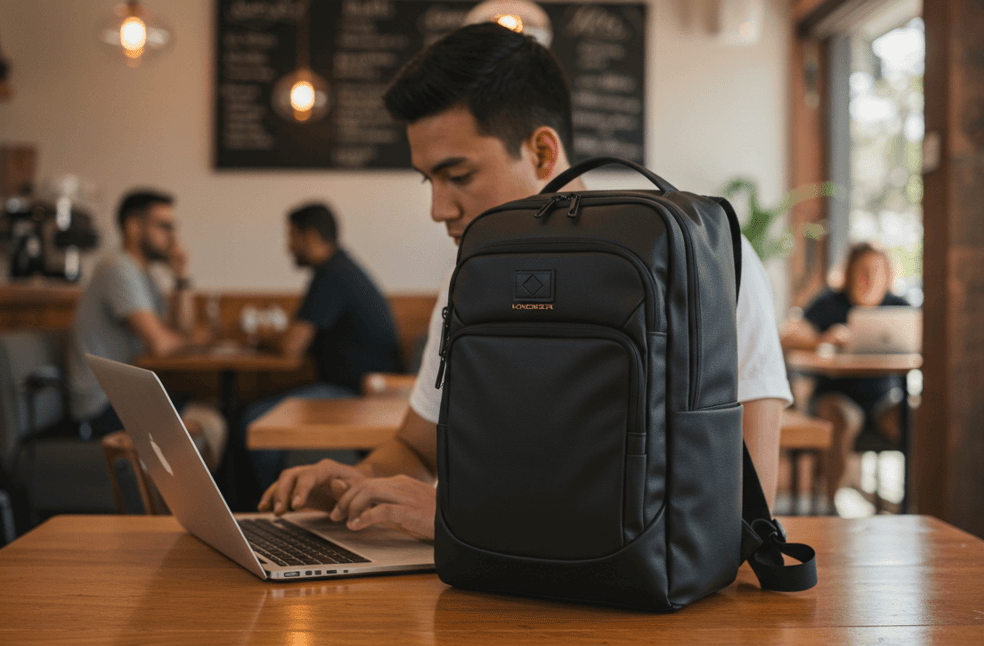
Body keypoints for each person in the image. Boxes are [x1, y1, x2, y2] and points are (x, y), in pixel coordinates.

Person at [258, 22, 792, 539]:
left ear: (541, 152)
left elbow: (740, 518)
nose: (438, 207)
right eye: (429, 180)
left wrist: (460, 515)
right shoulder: (471, 276)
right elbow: (417, 451)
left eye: (458, 176)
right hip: (478, 585)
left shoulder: (707, 263)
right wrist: (359, 484)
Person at [241, 203, 404, 489]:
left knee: (253, 420)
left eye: (291, 237)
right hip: (363, 388)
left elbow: (292, 347)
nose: (287, 247)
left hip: (360, 394)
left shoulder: (332, 274)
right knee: (254, 415)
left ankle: (264, 507)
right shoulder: (341, 268)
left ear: (311, 236)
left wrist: (263, 339)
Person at [67, 189, 225, 467]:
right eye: (163, 226)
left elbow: (181, 328)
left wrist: (181, 276)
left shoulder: (143, 273)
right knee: (208, 422)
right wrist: (194, 341)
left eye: (173, 227)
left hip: (125, 396)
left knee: (211, 413)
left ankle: (188, 506)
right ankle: (181, 508)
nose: (172, 237)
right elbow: (162, 345)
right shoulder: (117, 268)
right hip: (100, 406)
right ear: (133, 227)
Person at [780, 242, 909, 502]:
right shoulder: (829, 304)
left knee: (915, 419)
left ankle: (914, 505)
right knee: (839, 417)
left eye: (877, 272)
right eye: (863, 271)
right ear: (849, 273)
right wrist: (823, 339)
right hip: (837, 397)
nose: (869, 279)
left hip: (884, 401)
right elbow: (788, 336)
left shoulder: (900, 308)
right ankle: (832, 505)